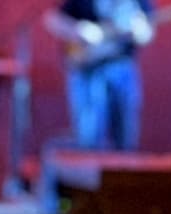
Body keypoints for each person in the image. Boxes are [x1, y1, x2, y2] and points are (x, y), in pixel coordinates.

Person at [45, 0, 155, 152]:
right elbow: (53, 19)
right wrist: (79, 30)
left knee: (125, 134)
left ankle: (123, 172)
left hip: (121, 67)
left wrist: (142, 32)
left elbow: (147, 32)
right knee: (89, 137)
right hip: (88, 70)